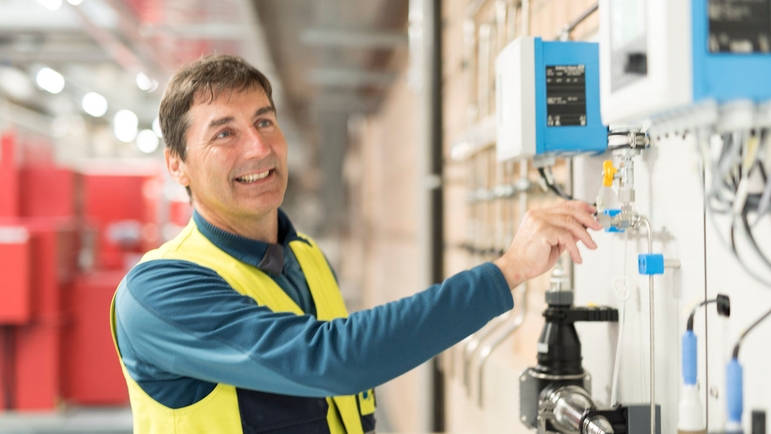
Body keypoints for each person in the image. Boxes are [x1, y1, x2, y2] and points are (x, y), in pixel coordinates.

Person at [110, 54, 602, 434]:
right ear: (177, 164)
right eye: (224, 133)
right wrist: (508, 270)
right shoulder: (158, 293)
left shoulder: (303, 257)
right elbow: (332, 360)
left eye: (264, 121)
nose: (258, 148)